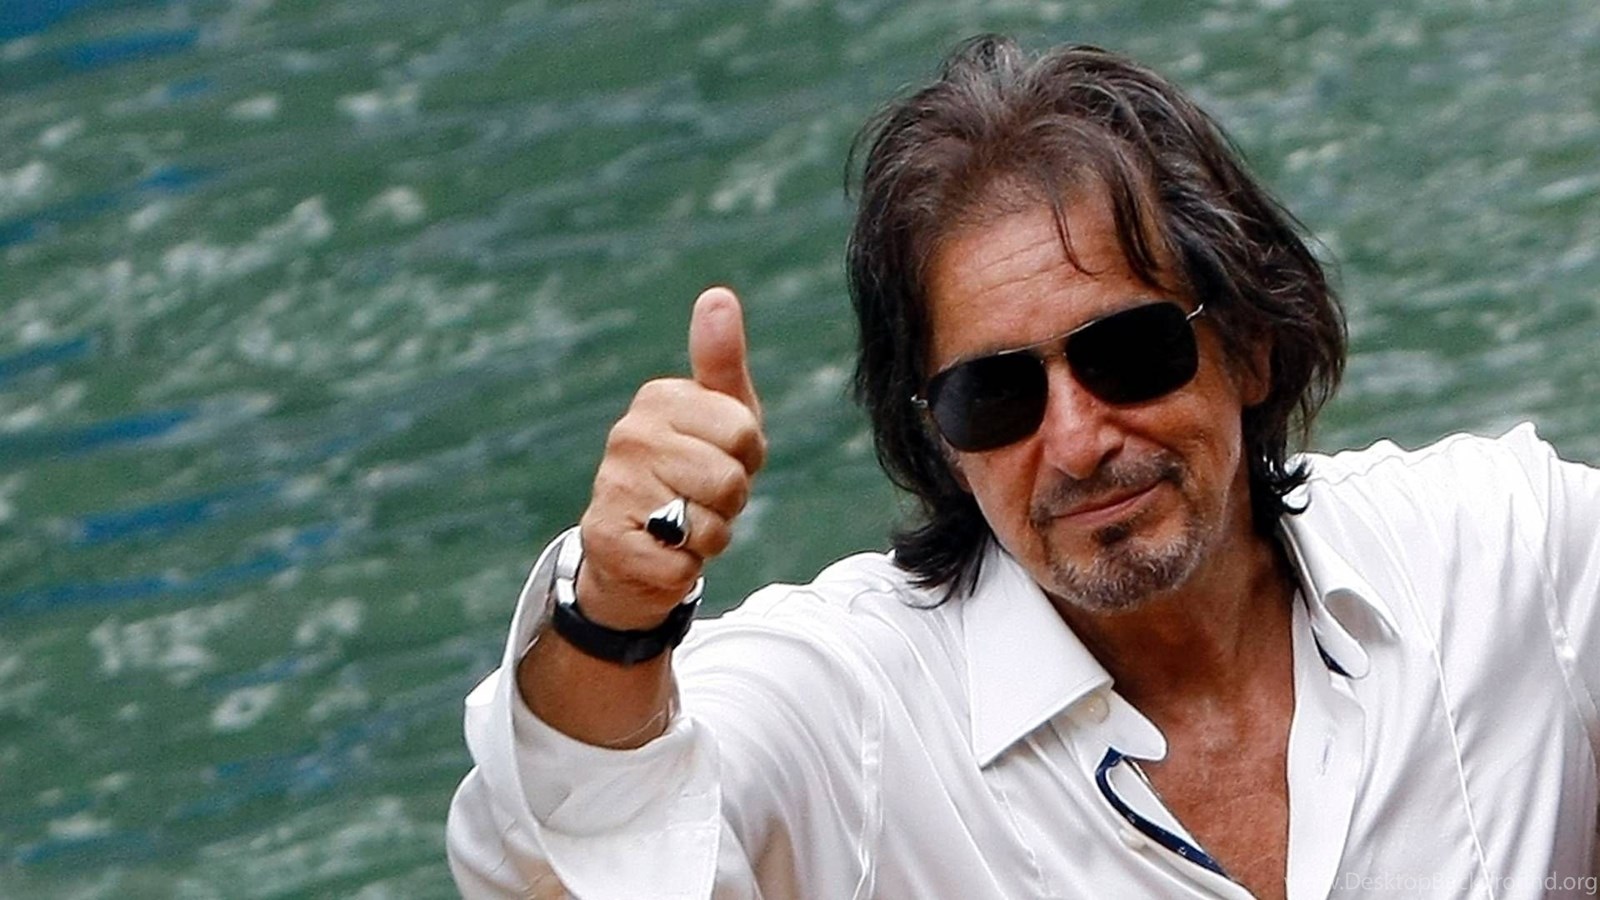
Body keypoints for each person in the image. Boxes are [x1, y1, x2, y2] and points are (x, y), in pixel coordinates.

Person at [446, 35, 1600, 900]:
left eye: (1128, 353)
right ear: (938, 440)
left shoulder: (1505, 560)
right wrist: (616, 608)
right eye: (993, 396)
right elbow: (556, 856)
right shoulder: (851, 709)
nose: (1079, 439)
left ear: (1249, 344)